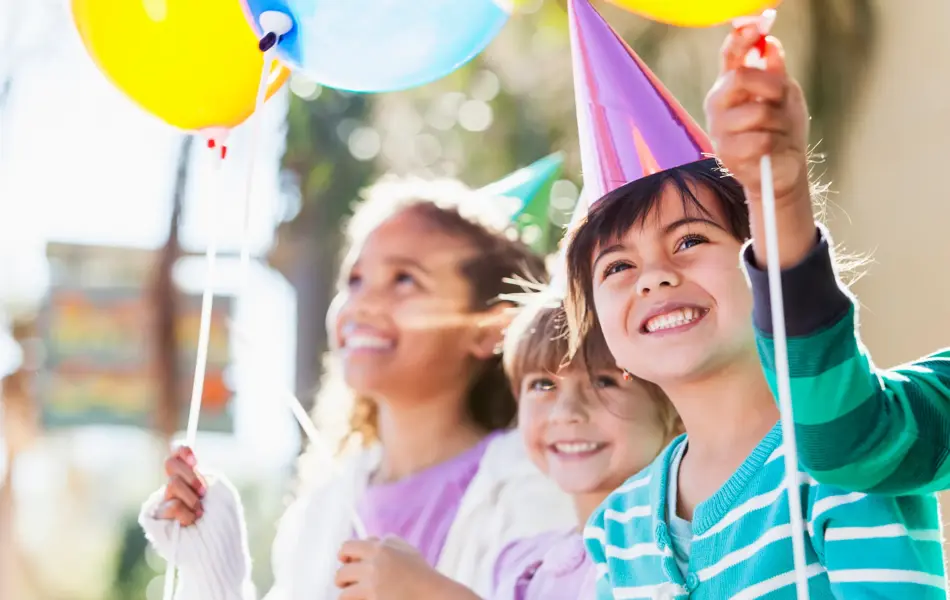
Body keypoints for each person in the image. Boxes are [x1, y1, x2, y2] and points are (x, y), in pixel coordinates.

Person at [565, 27, 947, 599]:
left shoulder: (839, 467)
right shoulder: (615, 532)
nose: (654, 276)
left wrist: (780, 194)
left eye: (690, 240)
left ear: (763, 259)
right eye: (617, 267)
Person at [139, 177, 576, 600]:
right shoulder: (323, 505)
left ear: (490, 329)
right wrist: (213, 569)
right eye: (355, 280)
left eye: (405, 279)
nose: (362, 303)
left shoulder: (538, 485)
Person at [331, 297, 680, 600]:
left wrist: (431, 592)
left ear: (674, 408)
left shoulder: (670, 551)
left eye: (605, 381)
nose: (566, 412)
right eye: (542, 385)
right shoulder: (520, 564)